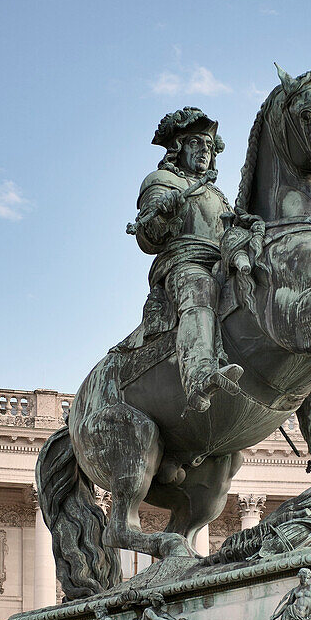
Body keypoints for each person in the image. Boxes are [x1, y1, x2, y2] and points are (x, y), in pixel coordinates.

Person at [129, 107, 243, 414]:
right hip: (183, 265)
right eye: (195, 143)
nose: (204, 150)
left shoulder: (217, 193)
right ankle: (200, 376)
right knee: (199, 285)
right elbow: (147, 238)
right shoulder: (161, 180)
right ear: (178, 148)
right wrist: (164, 212)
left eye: (208, 145)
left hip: (223, 264)